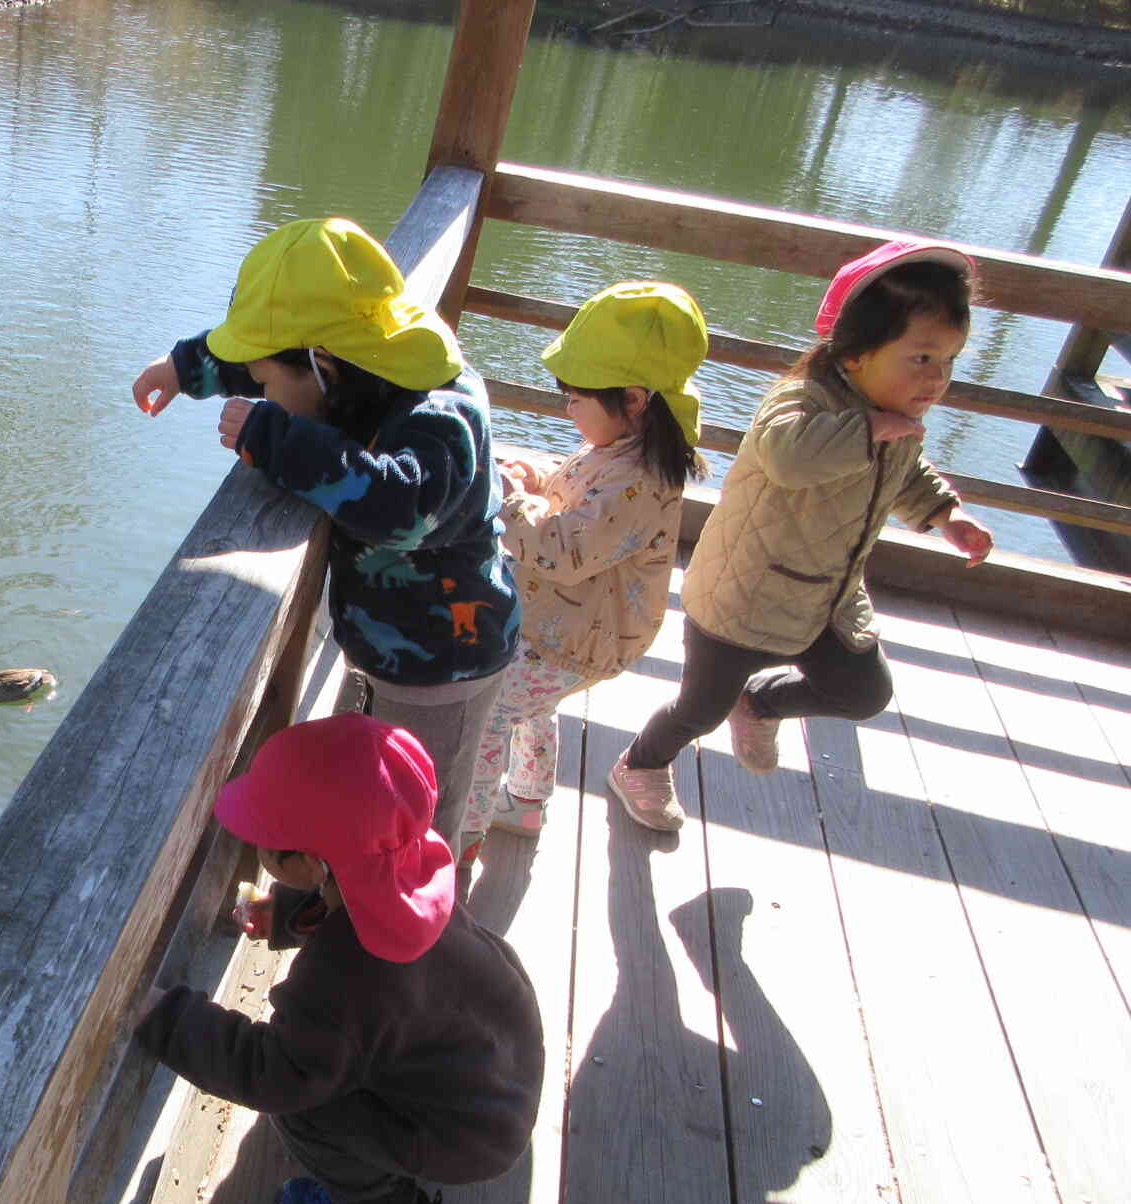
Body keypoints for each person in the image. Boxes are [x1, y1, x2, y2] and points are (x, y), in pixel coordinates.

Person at [132, 217, 520, 841]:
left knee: (411, 824)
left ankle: (406, 929)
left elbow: (401, 508)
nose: (258, 390)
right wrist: (185, 367)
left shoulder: (443, 414)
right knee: (363, 795)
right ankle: (342, 895)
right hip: (383, 649)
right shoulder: (362, 363)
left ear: (326, 365)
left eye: (264, 384)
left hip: (446, 668)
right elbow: (274, 356)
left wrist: (276, 439)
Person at [606, 239, 993, 832]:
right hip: (743, 594)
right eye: (921, 358)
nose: (937, 378)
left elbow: (905, 470)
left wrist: (945, 515)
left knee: (864, 692)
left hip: (829, 595)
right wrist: (869, 429)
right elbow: (789, 457)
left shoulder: (895, 415)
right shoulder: (799, 400)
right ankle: (639, 764)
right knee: (698, 709)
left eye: (948, 361)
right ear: (857, 352)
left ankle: (761, 702)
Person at [135, 714, 543, 1204]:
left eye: (266, 841)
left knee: (308, 1110)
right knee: (339, 1070)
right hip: (500, 1073)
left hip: (467, 1133)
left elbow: (273, 1072)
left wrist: (161, 1015)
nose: (255, 842)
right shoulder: (419, 860)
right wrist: (287, 915)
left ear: (307, 863)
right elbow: (354, 886)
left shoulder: (347, 976)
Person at [459, 281, 708, 861]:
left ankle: (461, 836)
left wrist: (511, 499)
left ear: (635, 397)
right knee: (529, 706)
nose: (567, 410)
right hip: (570, 627)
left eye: (575, 400)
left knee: (490, 710)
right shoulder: (623, 448)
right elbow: (583, 501)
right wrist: (540, 477)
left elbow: (565, 551)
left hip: (573, 638)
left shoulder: (640, 476)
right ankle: (524, 801)